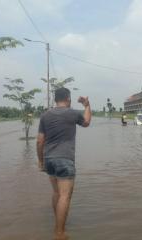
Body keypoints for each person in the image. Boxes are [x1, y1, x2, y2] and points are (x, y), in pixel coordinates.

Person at [36, 87, 91, 240]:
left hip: (49, 160)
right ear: (68, 99)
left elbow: (40, 140)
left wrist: (40, 161)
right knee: (65, 196)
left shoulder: (45, 115)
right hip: (65, 159)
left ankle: (58, 224)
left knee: (56, 193)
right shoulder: (72, 113)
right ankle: (59, 233)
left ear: (55, 99)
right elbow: (86, 122)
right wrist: (86, 105)